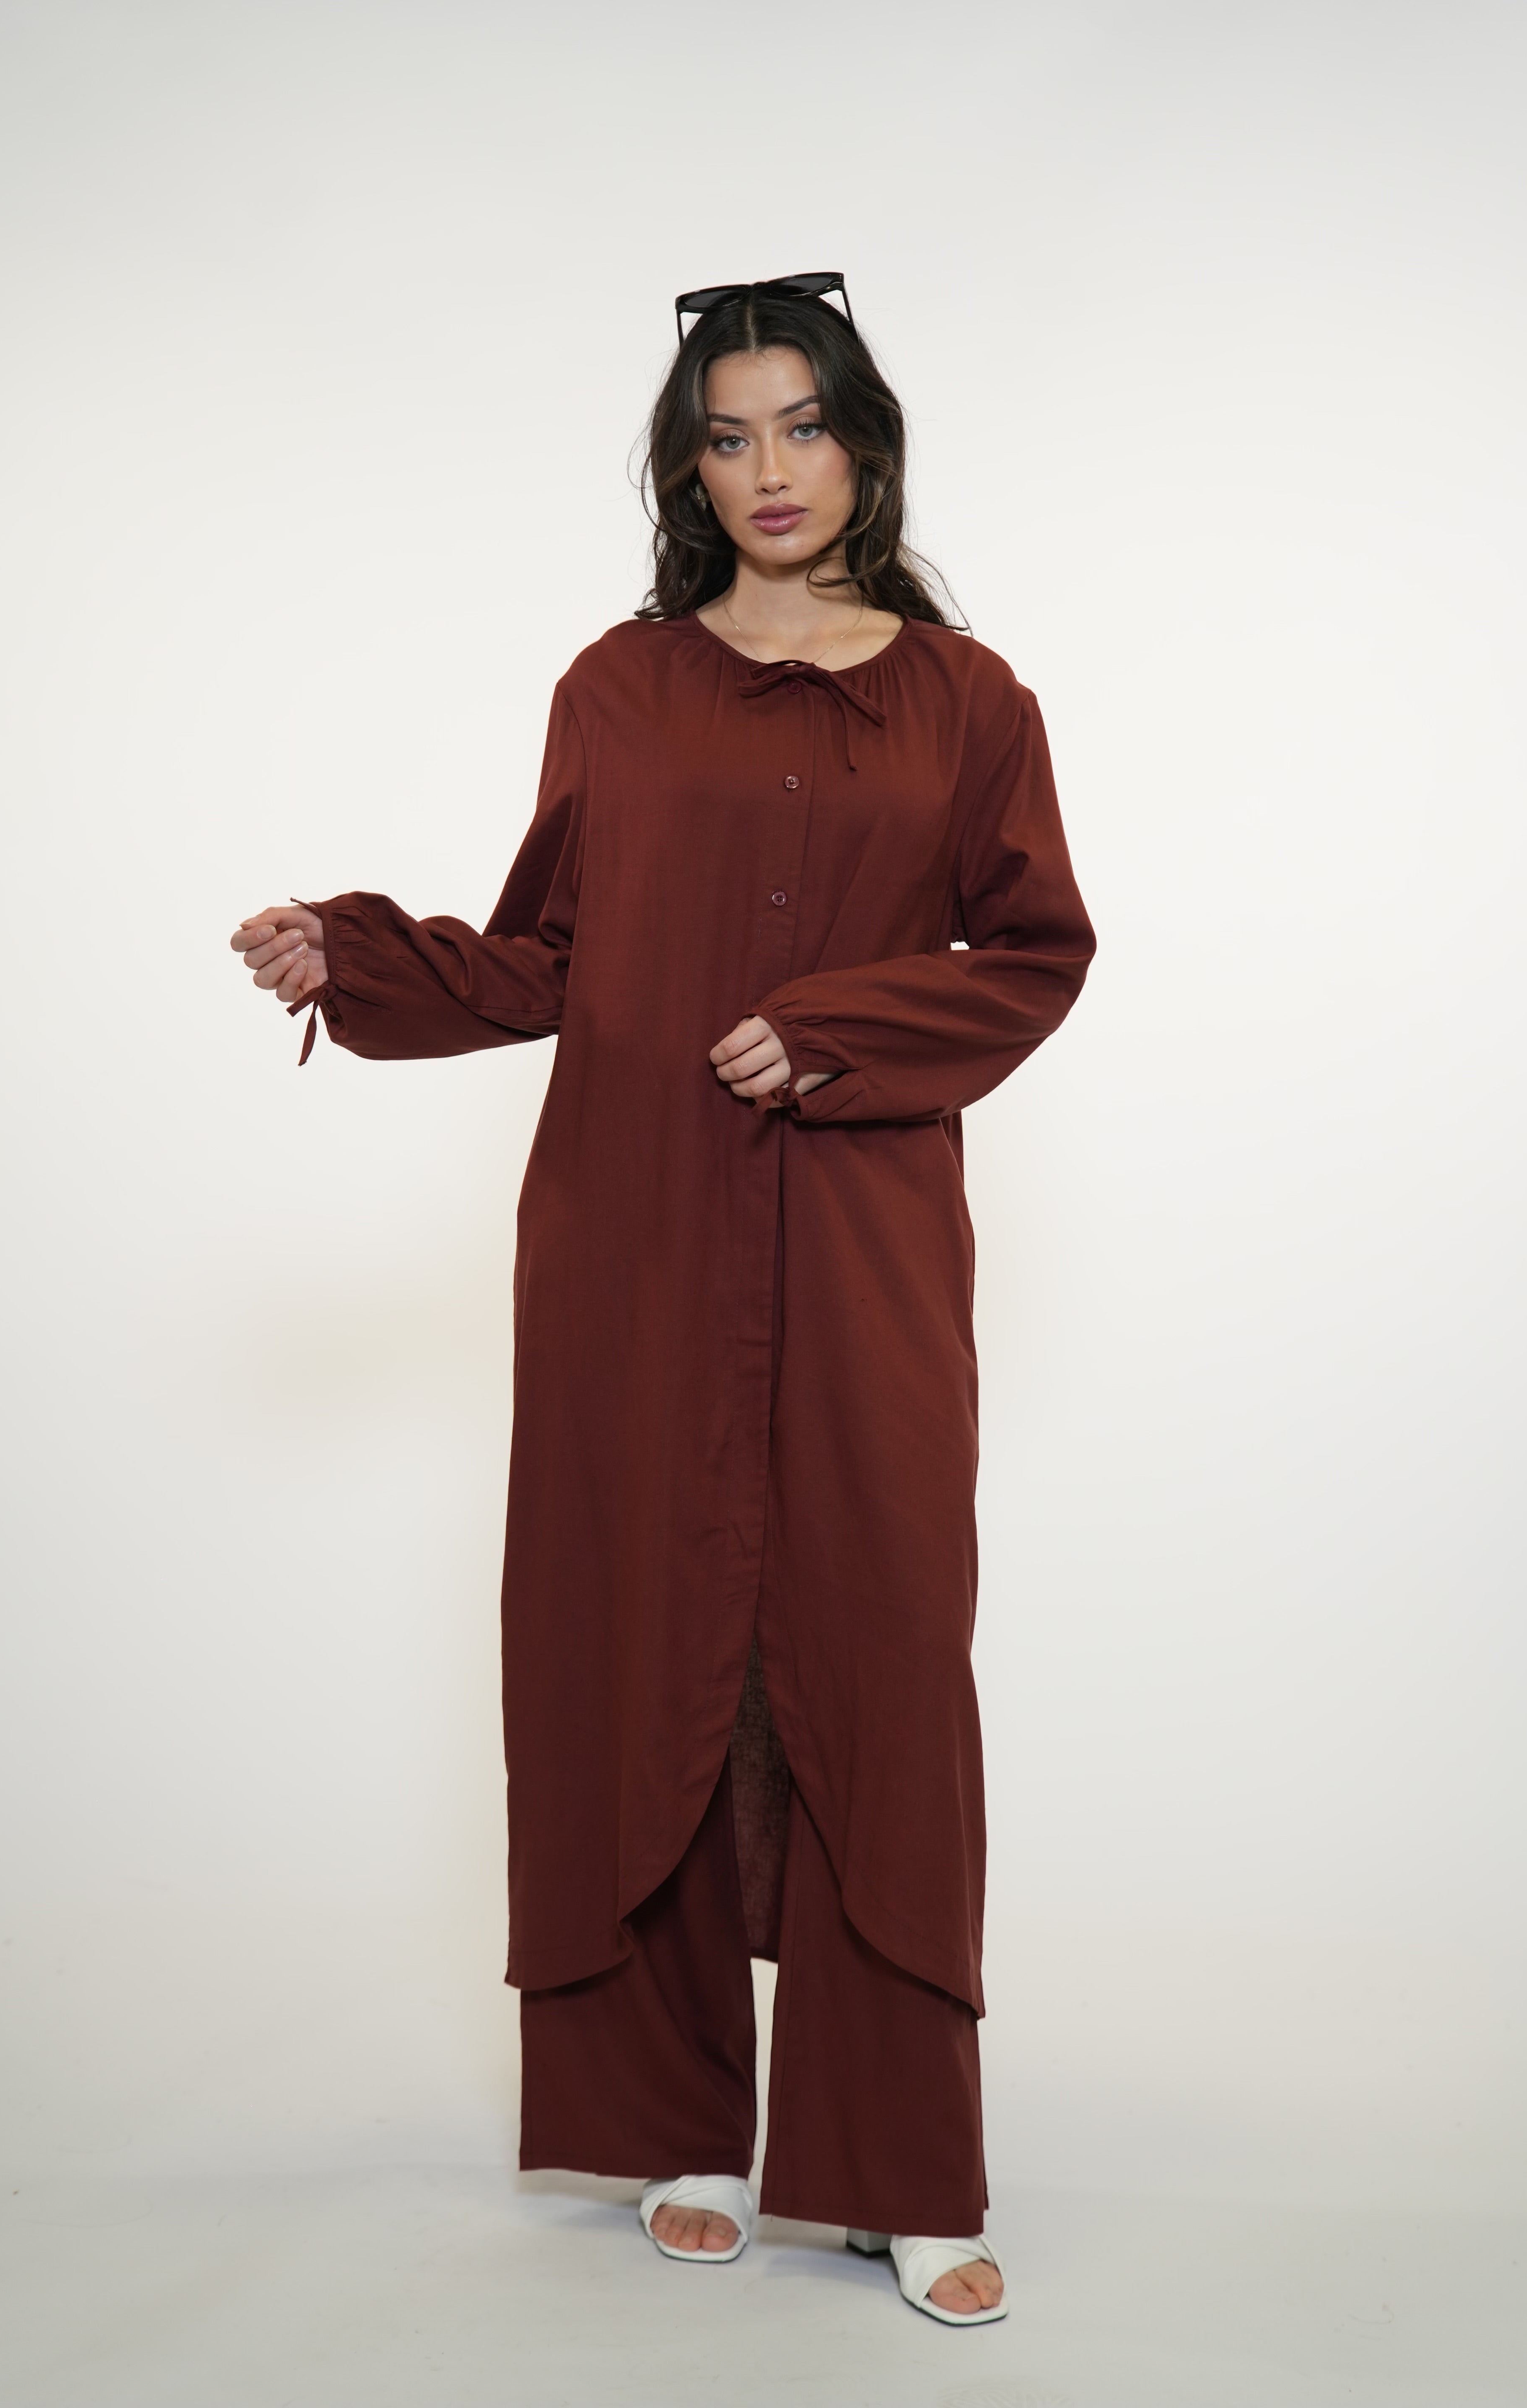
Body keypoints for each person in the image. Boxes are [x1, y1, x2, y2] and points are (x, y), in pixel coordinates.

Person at [230, 273, 1095, 2326]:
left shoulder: (972, 703)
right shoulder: (617, 688)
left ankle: (898, 2162)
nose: (767, 470)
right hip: (638, 1238)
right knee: (645, 1641)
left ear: (863, 446)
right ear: (684, 470)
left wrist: (840, 1029)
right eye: (725, 436)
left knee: (878, 1661)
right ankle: (683, 2127)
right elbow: (552, 952)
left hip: (866, 1246)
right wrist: (356, 955)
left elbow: (1034, 955)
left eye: (801, 427)